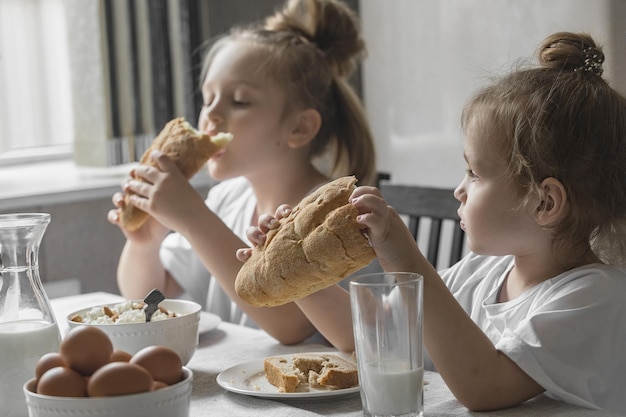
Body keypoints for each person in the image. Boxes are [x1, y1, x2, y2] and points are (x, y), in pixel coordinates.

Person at [238, 32, 626, 413]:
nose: (459, 190)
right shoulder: (483, 272)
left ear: (544, 202)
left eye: (474, 174)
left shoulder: (595, 298)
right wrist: (291, 270)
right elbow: (366, 336)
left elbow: (484, 386)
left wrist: (406, 258)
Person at [107, 0, 376, 346]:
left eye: (240, 102)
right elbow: (151, 299)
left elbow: (292, 327)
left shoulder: (335, 212)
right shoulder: (226, 199)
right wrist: (145, 242)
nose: (211, 116)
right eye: (208, 99)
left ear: (299, 128)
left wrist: (192, 218)